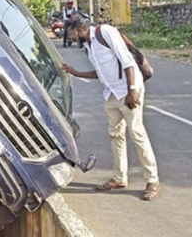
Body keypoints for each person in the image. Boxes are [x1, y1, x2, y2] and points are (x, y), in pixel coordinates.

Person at [61, 14, 161, 201]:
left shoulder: (105, 32)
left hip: (127, 92)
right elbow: (102, 73)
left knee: (137, 134)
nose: (71, 38)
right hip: (111, 94)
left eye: (71, 34)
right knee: (116, 136)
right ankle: (119, 177)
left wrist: (132, 90)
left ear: (78, 30)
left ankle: (152, 180)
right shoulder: (89, 46)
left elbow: (127, 62)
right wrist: (76, 73)